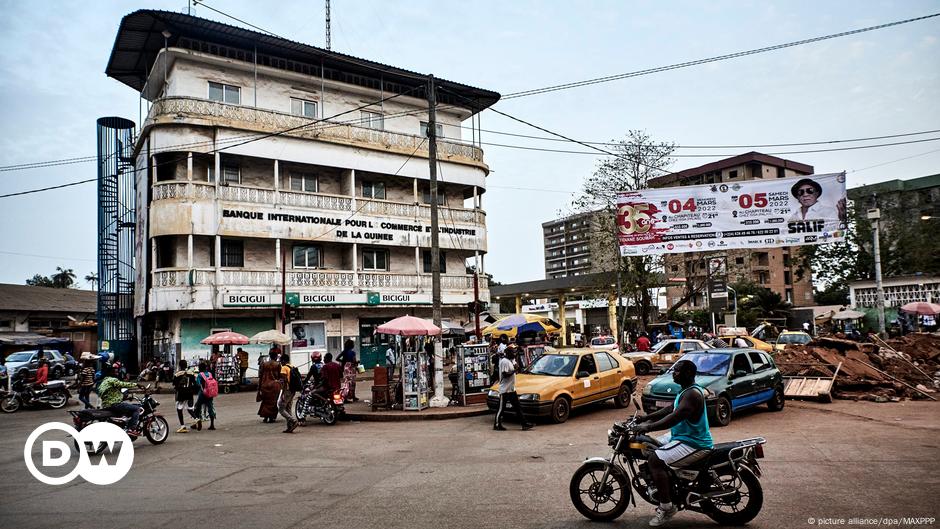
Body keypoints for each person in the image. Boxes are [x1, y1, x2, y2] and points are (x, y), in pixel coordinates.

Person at [634, 359, 713, 527]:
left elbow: (673, 418)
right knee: (649, 446)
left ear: (687, 374)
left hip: (693, 442)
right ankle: (668, 484)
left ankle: (667, 506)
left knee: (655, 459)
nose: (673, 373)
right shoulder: (685, 391)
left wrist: (647, 427)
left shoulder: (692, 394)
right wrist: (645, 417)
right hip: (681, 436)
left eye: (677, 371)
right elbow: (670, 409)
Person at [493, 348, 533, 431]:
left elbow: (516, 367)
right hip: (505, 390)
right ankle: (497, 424)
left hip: (511, 389)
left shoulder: (511, 360)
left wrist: (516, 366)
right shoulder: (504, 361)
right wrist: (514, 370)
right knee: (501, 409)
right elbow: (505, 374)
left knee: (518, 407)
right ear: (508, 353)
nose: (514, 353)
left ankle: (524, 424)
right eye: (513, 352)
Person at [97, 365, 143, 436]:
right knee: (137, 409)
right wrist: (136, 384)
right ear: (111, 373)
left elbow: (111, 394)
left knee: (127, 408)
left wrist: (125, 397)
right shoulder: (112, 380)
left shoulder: (104, 382)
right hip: (115, 405)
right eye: (115, 372)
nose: (117, 374)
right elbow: (123, 384)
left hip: (106, 405)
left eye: (117, 372)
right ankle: (131, 429)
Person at [172, 360, 197, 433]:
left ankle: (182, 426)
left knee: (179, 409)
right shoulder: (191, 373)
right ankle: (196, 419)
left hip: (181, 394)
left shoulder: (177, 374)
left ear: (179, 366)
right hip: (189, 393)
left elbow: (174, 385)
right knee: (189, 408)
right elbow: (194, 383)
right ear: (186, 366)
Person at [257, 350, 281, 423]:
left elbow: (260, 375)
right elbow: (280, 376)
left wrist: (259, 386)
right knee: (273, 402)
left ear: (270, 356)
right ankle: (271, 417)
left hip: (265, 384)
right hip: (274, 385)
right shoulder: (278, 364)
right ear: (276, 357)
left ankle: (265, 416)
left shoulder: (264, 364)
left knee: (265, 401)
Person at [193, 360, 217, 431]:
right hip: (210, 393)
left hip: (203, 393)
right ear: (206, 368)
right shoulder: (210, 373)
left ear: (200, 368)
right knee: (210, 407)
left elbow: (198, 384)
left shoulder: (200, 375)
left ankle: (196, 423)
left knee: (197, 407)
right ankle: (212, 425)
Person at [278, 353, 298, 433]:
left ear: (283, 360)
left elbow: (284, 381)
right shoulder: (292, 367)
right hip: (293, 390)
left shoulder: (284, 368)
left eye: (280, 361)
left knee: (281, 408)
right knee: (288, 408)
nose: (280, 362)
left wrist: (283, 393)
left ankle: (293, 421)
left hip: (287, 390)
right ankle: (289, 427)